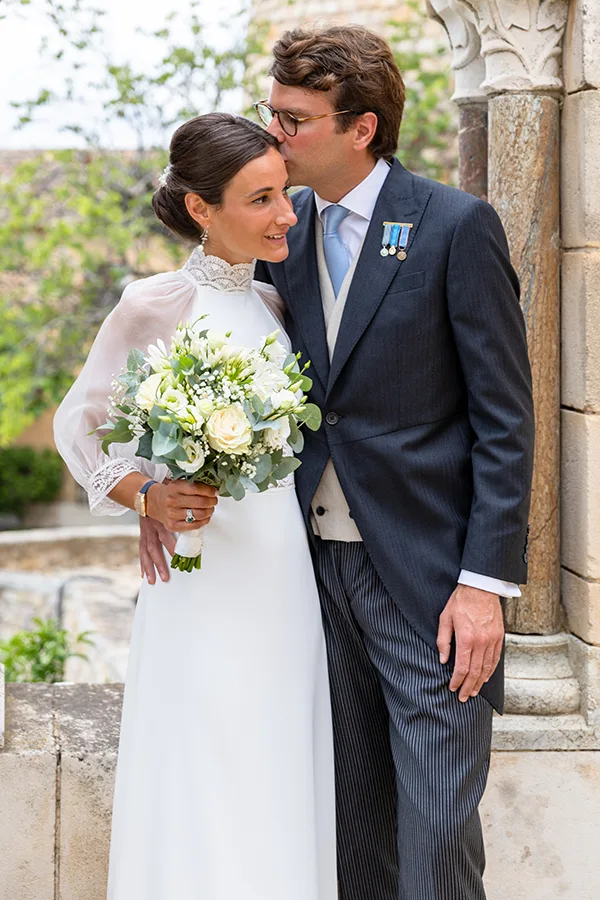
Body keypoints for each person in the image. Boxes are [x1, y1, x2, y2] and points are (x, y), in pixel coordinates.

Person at [139, 24, 535, 900]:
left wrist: (484, 585)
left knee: (435, 833)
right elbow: (196, 363)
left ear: (361, 127)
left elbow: (506, 422)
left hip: (428, 582)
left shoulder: (454, 227)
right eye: (270, 112)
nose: (273, 134)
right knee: (347, 835)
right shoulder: (280, 232)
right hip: (309, 581)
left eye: (293, 118)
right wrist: (148, 494)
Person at [53, 113, 338, 900]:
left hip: (284, 574)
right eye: (261, 199)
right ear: (202, 210)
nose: (286, 213)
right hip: (200, 574)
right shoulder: (154, 304)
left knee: (277, 755)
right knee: (203, 757)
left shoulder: (281, 308)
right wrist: (147, 493)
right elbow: (75, 424)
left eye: (284, 192)